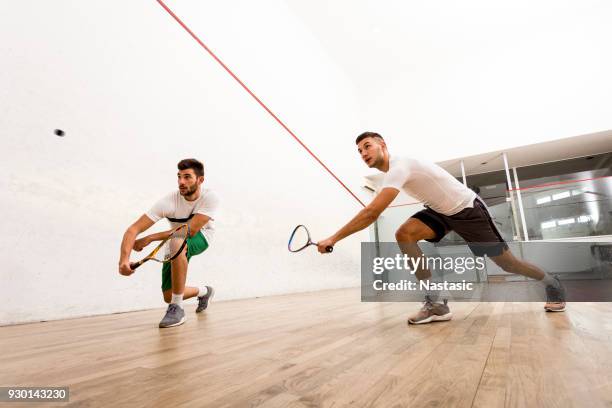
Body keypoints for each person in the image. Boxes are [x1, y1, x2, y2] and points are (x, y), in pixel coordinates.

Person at [317, 132, 566, 324]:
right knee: (404, 234)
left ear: (382, 144)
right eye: (359, 151)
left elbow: (372, 212)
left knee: (508, 264)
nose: (363, 153)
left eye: (367, 146)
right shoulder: (393, 172)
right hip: (441, 211)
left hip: (468, 210)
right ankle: (436, 302)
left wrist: (334, 238)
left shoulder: (400, 166)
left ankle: (552, 282)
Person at [118, 158, 219, 328]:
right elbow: (133, 230)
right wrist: (123, 260)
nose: (181, 182)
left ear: (200, 180)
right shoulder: (169, 201)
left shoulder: (210, 198)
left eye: (187, 177)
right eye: (179, 176)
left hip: (201, 236)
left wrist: (150, 238)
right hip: (174, 240)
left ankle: (177, 308)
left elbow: (190, 231)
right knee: (169, 294)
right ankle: (204, 291)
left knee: (176, 241)